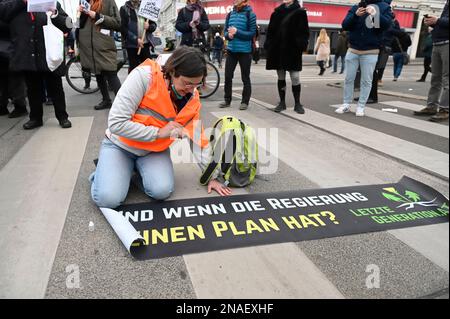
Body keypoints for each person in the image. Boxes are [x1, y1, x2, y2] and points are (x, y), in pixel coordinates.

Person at [90, 47, 232, 208]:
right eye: (187, 83)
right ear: (172, 72)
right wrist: (158, 133)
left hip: (153, 151)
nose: (191, 90)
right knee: (107, 199)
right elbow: (116, 123)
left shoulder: (192, 98)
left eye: (197, 84)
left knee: (161, 191)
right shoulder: (145, 76)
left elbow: (197, 139)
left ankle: (130, 172)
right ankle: (103, 173)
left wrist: (211, 176)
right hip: (120, 146)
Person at [0, 0, 72, 129]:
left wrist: (55, 14)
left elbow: (67, 25)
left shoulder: (50, 2)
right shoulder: (13, 4)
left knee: (55, 87)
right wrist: (21, 2)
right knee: (33, 88)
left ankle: (62, 116)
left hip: (48, 54)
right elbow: (3, 13)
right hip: (27, 53)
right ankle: (35, 118)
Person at [335, 0, 392, 117]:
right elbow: (345, 25)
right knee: (349, 79)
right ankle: (346, 104)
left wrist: (375, 14)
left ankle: (361, 106)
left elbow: (386, 26)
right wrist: (355, 15)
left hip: (371, 51)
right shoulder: (357, 6)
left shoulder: (384, 7)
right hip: (353, 49)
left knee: (366, 80)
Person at [265, 0, 309, 114]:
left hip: (293, 50)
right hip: (278, 50)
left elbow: (305, 32)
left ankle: (297, 103)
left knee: (295, 77)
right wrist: (269, 45)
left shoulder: (300, 12)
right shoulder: (276, 13)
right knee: (281, 76)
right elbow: (270, 31)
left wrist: (300, 45)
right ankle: (282, 102)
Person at [78, 0, 122, 111]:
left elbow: (117, 23)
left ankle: (123, 104)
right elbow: (79, 25)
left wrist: (97, 15)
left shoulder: (108, 1)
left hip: (104, 44)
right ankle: (106, 100)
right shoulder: (84, 1)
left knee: (111, 73)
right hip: (88, 46)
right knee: (98, 73)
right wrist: (80, 13)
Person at [414, 0, 449, 122]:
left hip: (447, 44)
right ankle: (431, 106)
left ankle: (445, 109)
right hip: (438, 42)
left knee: (447, 78)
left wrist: (437, 21)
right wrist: (434, 24)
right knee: (436, 77)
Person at [219, 0, 257, 111]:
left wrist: (237, 32)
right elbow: (225, 32)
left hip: (245, 51)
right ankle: (227, 100)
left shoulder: (250, 14)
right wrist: (228, 35)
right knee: (227, 76)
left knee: (245, 77)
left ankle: (245, 102)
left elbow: (251, 34)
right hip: (231, 50)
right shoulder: (230, 14)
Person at [0, 18, 27, 118]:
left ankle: (19, 106)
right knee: (6, 79)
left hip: (10, 46)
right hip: (8, 45)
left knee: (14, 78)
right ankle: (5, 105)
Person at [120, 0, 157, 73]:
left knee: (148, 69)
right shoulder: (124, 9)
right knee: (134, 70)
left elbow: (154, 25)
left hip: (144, 44)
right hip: (132, 45)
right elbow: (123, 28)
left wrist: (149, 26)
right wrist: (135, 39)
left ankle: (148, 84)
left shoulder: (147, 8)